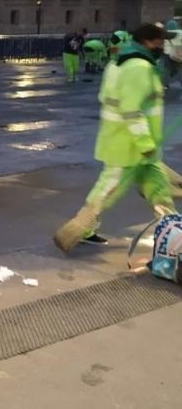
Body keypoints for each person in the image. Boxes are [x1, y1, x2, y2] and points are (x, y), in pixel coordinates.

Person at [54, 24, 179, 253]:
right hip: (130, 145)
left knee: (157, 187)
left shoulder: (119, 62)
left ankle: (174, 234)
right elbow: (132, 110)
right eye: (160, 41)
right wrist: (146, 144)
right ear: (149, 42)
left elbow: (107, 97)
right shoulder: (138, 67)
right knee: (109, 188)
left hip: (129, 142)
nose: (162, 46)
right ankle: (78, 227)